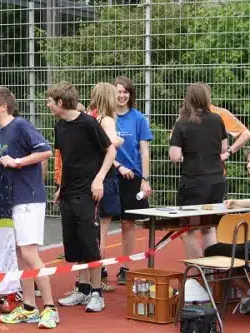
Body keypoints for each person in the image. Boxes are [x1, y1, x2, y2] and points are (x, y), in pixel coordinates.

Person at [0, 87, 59, 329]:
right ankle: (29, 307)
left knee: (29, 254)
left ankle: (50, 308)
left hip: (29, 197)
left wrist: (17, 162)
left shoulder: (20, 125)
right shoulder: (1, 132)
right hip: (13, 199)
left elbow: (45, 150)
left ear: (2, 106)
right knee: (18, 255)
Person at [49, 82, 116, 312]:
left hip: (88, 193)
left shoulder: (88, 123)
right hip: (68, 192)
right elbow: (67, 160)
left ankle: (97, 293)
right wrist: (60, 187)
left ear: (60, 102)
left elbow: (111, 150)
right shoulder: (59, 127)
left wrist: (99, 179)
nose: (47, 104)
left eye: (50, 101)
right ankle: (83, 289)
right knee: (75, 244)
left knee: (90, 244)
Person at [169, 83, 228, 260]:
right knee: (209, 227)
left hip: (193, 182)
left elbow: (174, 155)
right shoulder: (217, 119)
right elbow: (224, 148)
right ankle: (210, 272)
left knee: (189, 230)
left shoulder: (182, 122)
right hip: (216, 180)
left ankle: (195, 275)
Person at [204, 146, 250, 315]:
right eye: (248, 161)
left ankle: (247, 292)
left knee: (213, 250)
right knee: (235, 252)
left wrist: (245, 218)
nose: (248, 165)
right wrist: (240, 203)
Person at [113, 76, 153, 285]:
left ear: (130, 94)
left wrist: (145, 179)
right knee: (99, 223)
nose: (121, 95)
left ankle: (125, 266)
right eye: (118, 91)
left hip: (132, 176)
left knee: (128, 224)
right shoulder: (105, 117)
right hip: (109, 175)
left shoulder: (138, 119)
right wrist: (117, 166)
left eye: (125, 91)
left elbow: (145, 151)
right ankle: (96, 267)